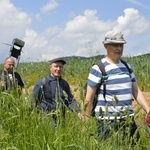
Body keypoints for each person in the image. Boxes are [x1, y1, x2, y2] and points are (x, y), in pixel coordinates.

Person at [83, 31, 150, 143]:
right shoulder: (98, 67)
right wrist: (85, 122)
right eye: (115, 45)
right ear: (106, 46)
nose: (119, 48)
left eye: (121, 45)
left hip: (128, 120)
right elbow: (89, 98)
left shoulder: (126, 66)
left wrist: (148, 110)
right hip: (107, 123)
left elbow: (136, 90)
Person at [33, 57, 81, 126]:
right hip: (46, 119)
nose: (58, 69)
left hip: (61, 119)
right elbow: (33, 100)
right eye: (56, 66)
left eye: (60, 67)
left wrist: (78, 112)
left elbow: (70, 100)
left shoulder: (64, 84)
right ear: (50, 68)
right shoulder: (42, 82)